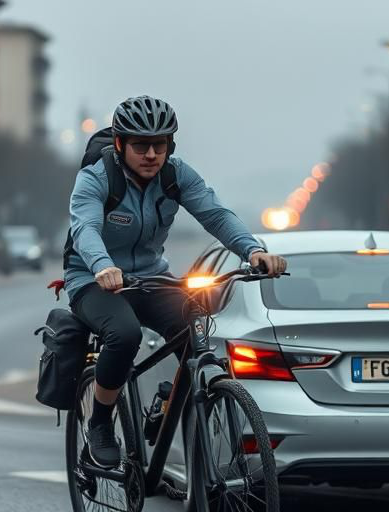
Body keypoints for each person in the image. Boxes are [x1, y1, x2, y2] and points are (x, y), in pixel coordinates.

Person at [65, 95, 287, 468]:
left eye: (160, 145)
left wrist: (252, 251)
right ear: (120, 145)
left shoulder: (176, 174)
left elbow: (216, 214)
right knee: (125, 334)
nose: (151, 154)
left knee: (196, 328)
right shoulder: (96, 178)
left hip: (151, 276)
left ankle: (168, 404)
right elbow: (84, 227)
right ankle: (101, 422)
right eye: (140, 145)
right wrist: (102, 265)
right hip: (92, 278)